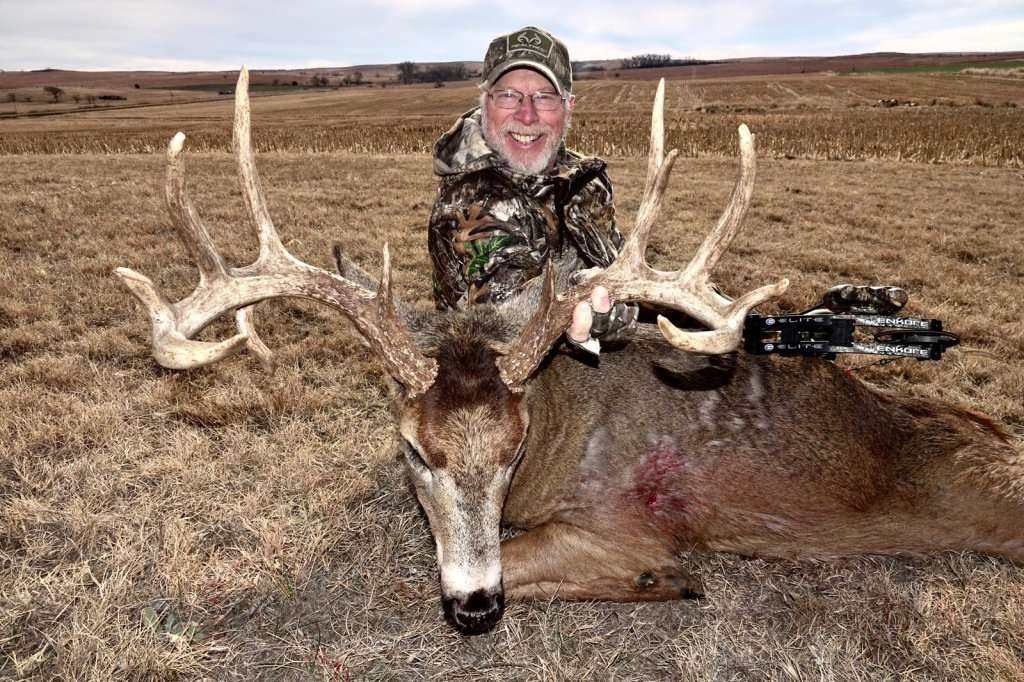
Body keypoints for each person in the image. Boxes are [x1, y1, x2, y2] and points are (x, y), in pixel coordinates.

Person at [428, 25, 632, 351]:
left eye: (545, 97)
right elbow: (512, 323)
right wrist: (616, 316)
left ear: (569, 106)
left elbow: (621, 265)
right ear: (485, 102)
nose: (526, 114)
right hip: (507, 384)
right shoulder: (473, 204)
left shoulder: (583, 180)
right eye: (509, 95)